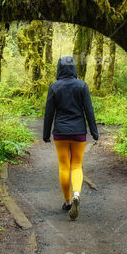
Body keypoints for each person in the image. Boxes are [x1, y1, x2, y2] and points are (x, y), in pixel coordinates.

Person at [42, 56, 99, 220]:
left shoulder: (54, 87)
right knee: (76, 165)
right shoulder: (82, 86)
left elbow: (49, 113)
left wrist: (46, 134)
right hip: (78, 132)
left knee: (64, 167)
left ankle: (67, 202)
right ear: (74, 68)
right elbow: (89, 110)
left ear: (59, 68)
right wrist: (94, 132)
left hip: (60, 132)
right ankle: (76, 193)